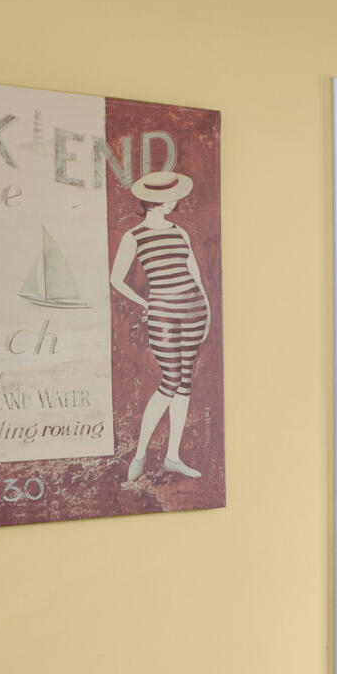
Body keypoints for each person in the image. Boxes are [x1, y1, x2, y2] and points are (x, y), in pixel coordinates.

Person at [110, 169, 210, 481]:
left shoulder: (180, 232)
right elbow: (116, 278)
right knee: (171, 380)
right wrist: (146, 303)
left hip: (193, 308)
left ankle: (172, 456)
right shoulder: (134, 236)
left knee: (184, 384)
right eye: (170, 197)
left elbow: (194, 272)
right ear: (154, 201)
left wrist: (206, 308)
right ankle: (140, 454)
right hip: (163, 310)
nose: (175, 202)